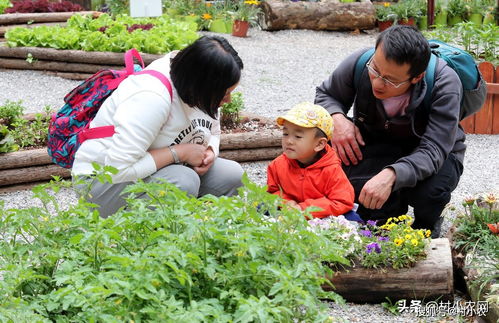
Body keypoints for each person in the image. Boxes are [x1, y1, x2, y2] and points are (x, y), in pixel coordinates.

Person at [315, 25, 465, 237]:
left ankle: (426, 226)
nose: (377, 82)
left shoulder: (444, 83)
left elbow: (434, 149)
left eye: (391, 80)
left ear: (417, 77)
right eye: (375, 69)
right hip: (381, 142)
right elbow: (326, 95)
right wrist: (336, 118)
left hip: (432, 151)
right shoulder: (361, 62)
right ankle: (384, 219)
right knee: (343, 176)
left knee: (430, 194)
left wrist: (392, 174)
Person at [72, 36, 245, 217]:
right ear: (202, 85)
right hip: (102, 183)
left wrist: (210, 151)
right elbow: (118, 170)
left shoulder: (198, 89)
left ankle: (208, 231)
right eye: (225, 93)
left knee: (232, 175)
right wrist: (180, 152)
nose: (228, 100)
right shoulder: (152, 97)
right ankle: (148, 239)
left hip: (162, 168)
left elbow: (213, 129)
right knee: (184, 181)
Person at [267, 102, 355, 219]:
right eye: (285, 134)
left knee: (352, 219)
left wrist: (304, 209)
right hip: (289, 212)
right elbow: (272, 191)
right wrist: (287, 202)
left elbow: (342, 201)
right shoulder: (278, 165)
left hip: (321, 216)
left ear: (319, 144)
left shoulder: (331, 169)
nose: (289, 141)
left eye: (297, 136)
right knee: (262, 206)